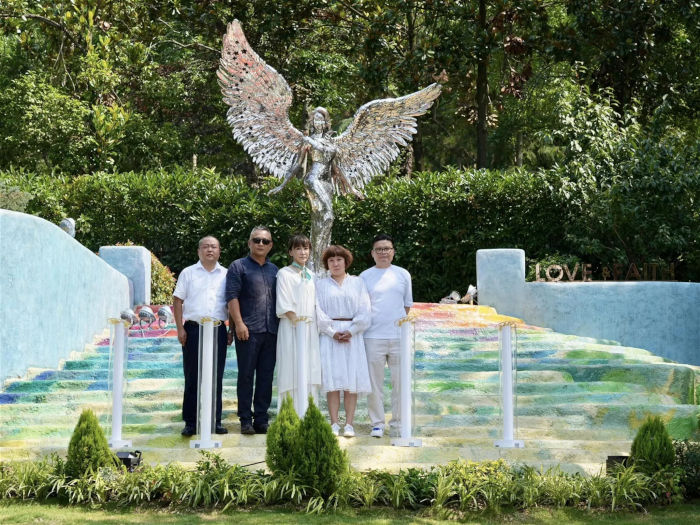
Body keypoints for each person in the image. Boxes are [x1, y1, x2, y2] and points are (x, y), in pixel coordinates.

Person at [173, 236, 232, 437]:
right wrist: (180, 328)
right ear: (199, 251)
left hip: (217, 329)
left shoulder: (226, 274)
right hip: (194, 329)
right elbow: (178, 300)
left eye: (213, 247)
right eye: (205, 246)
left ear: (219, 251)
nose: (209, 250)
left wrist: (231, 328)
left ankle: (215, 421)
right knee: (192, 376)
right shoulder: (188, 273)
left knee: (216, 376)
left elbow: (231, 302)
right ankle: (190, 422)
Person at [226, 226, 279, 435]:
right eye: (256, 240)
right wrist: (238, 324)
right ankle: (245, 419)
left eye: (265, 241)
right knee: (246, 376)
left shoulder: (275, 270)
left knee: (266, 376)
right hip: (247, 330)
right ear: (249, 243)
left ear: (271, 245)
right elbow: (232, 297)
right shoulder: (238, 267)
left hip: (271, 331)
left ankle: (261, 419)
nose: (260, 244)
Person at [360, 234, 413, 438]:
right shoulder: (365, 276)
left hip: (399, 337)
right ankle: (377, 424)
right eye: (379, 249)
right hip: (372, 337)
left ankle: (399, 423)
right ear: (372, 253)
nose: (383, 252)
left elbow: (407, 305)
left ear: (393, 252)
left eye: (387, 248)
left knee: (401, 383)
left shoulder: (403, 274)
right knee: (375, 384)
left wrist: (396, 326)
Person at [315, 245, 372, 437]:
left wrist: (352, 330)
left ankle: (349, 424)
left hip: (352, 336)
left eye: (339, 260)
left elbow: (365, 309)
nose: (335, 263)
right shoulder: (320, 284)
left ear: (346, 262)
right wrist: (332, 332)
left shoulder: (357, 283)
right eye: (331, 260)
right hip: (330, 337)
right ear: (327, 264)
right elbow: (317, 311)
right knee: (332, 381)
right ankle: (333, 423)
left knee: (351, 381)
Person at [275, 234, 322, 415]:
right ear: (290, 252)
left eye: (306, 248)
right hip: (291, 327)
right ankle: (290, 414)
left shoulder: (312, 275)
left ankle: (310, 413)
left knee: (310, 368)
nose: (303, 252)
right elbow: (284, 302)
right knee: (291, 368)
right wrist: (297, 323)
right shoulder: (284, 273)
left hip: (311, 329)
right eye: (298, 248)